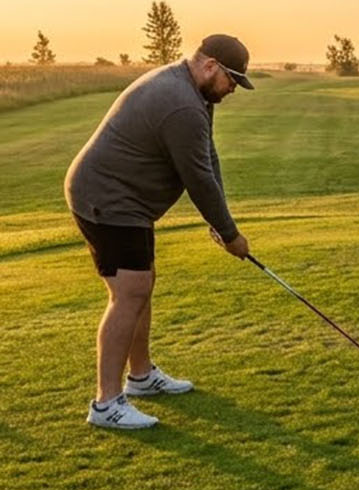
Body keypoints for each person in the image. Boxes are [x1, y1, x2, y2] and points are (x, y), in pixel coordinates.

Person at [65, 33, 253, 430]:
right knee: (129, 292)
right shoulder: (181, 103)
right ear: (210, 66)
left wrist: (221, 225)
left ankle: (141, 376)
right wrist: (230, 234)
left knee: (141, 285)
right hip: (108, 198)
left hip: (126, 200)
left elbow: (208, 157)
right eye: (231, 79)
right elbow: (198, 178)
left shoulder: (195, 94)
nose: (233, 89)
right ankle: (106, 403)